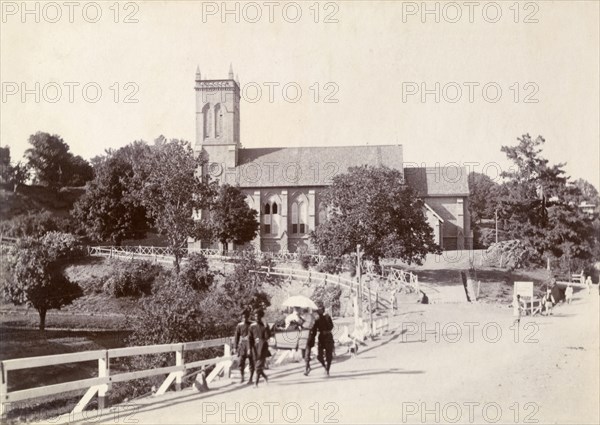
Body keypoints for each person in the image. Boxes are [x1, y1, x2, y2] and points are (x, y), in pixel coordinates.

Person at [307, 301, 335, 376]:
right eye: (318, 309)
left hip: (328, 336)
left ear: (323, 309)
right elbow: (314, 330)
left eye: (321, 309)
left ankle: (327, 369)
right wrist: (311, 338)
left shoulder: (327, 316)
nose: (319, 310)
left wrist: (325, 319)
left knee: (329, 355)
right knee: (319, 356)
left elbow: (331, 326)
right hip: (321, 337)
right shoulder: (317, 319)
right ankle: (325, 367)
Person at [248, 309, 271, 387]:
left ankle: (256, 383)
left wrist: (266, 327)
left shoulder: (264, 325)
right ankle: (265, 377)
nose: (256, 317)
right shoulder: (252, 326)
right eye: (255, 316)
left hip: (263, 348)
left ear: (261, 317)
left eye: (258, 316)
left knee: (258, 367)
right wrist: (249, 349)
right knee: (257, 366)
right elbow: (249, 339)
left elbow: (267, 337)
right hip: (255, 349)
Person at [233, 310, 254, 384]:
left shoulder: (252, 324)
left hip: (251, 344)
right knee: (241, 361)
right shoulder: (239, 325)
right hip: (242, 345)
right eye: (243, 317)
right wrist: (235, 347)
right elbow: (236, 337)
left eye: (246, 317)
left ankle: (251, 378)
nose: (244, 319)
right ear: (241, 317)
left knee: (251, 361)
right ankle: (242, 377)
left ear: (248, 317)